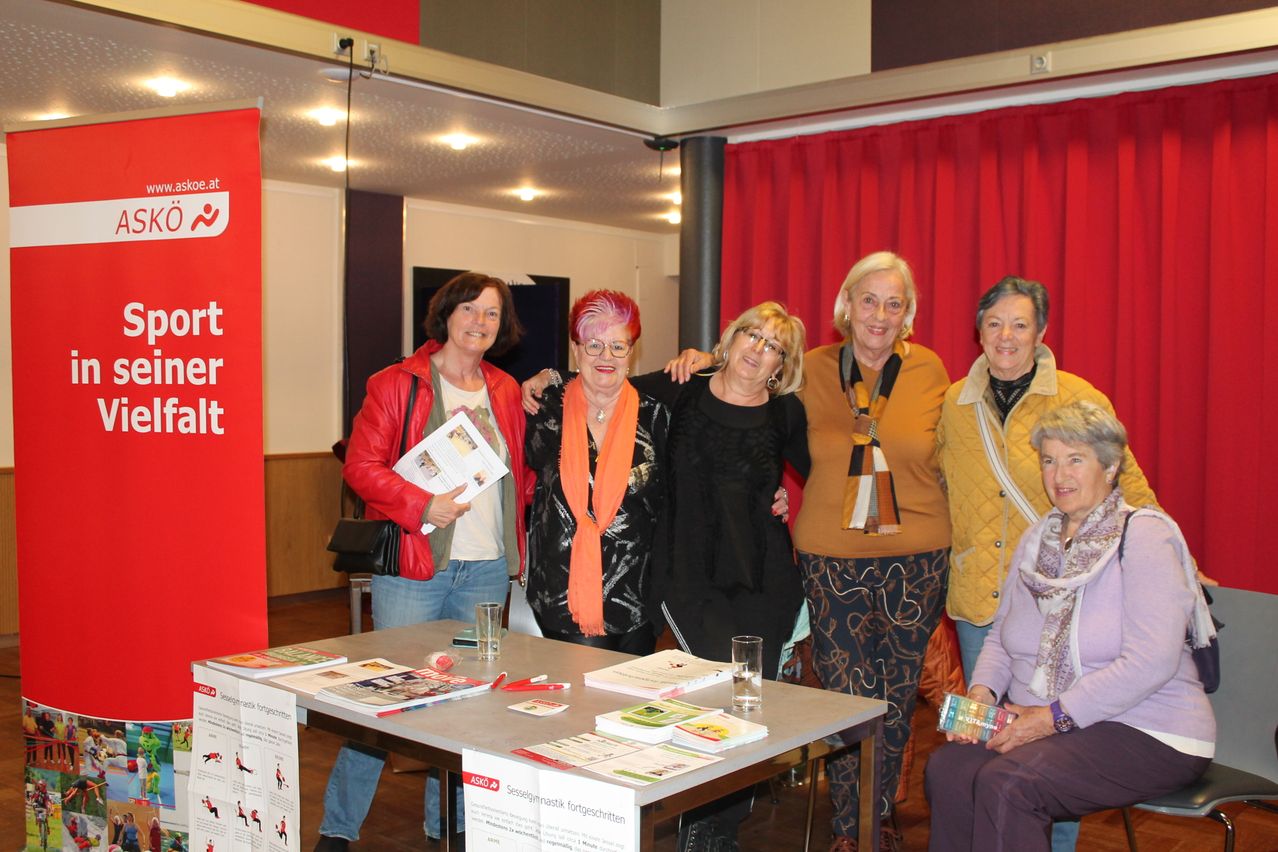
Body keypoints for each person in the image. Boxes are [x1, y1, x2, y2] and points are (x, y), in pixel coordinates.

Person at [925, 400, 1216, 851]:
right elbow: (1002, 639)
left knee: (1010, 784)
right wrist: (981, 697)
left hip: (1149, 728)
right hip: (1055, 721)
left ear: (1111, 465)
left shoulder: (1145, 536)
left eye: (1075, 459)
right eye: (1048, 460)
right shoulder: (1036, 538)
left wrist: (1051, 718)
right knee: (948, 769)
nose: (1059, 475)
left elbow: (1150, 662)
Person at [935, 275, 1161, 851]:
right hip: (981, 602)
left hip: (1066, 605)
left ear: (1041, 332)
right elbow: (926, 479)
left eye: (1019, 324)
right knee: (991, 747)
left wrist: (1169, 557)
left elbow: (1126, 485)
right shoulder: (953, 404)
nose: (1005, 336)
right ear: (978, 331)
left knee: (1053, 755)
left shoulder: (1080, 398)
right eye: (993, 324)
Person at [316, 271, 531, 851]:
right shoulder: (397, 382)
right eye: (470, 309)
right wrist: (422, 504)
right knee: (385, 699)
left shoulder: (506, 391)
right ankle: (338, 829)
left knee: (468, 705)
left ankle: (450, 826)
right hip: (415, 567)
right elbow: (360, 467)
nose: (480, 322)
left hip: (485, 568)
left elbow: (518, 476)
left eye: (492, 313)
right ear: (446, 315)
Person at [795, 252, 950, 851]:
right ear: (846, 307)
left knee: (895, 695)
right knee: (844, 698)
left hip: (917, 556)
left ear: (907, 313)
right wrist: (699, 359)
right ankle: (846, 830)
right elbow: (741, 384)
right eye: (869, 300)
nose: (879, 314)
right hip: (832, 558)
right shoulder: (807, 369)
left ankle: (878, 821)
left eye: (894, 303)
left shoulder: (931, 371)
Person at [655, 301, 810, 851]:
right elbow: (602, 384)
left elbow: (831, 477)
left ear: (780, 364)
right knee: (710, 693)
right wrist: (544, 379)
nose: (758, 349)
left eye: (774, 346)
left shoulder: (787, 413)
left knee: (747, 699)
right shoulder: (682, 388)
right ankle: (702, 819)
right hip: (690, 574)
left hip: (763, 580)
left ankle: (715, 829)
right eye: (752, 334)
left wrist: (795, 506)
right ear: (731, 336)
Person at [523, 290, 668, 654]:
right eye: (594, 345)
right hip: (561, 594)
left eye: (618, 346)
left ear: (631, 352)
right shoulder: (545, 406)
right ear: (576, 349)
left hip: (639, 599)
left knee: (630, 705)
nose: (607, 357)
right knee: (579, 702)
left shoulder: (656, 415)